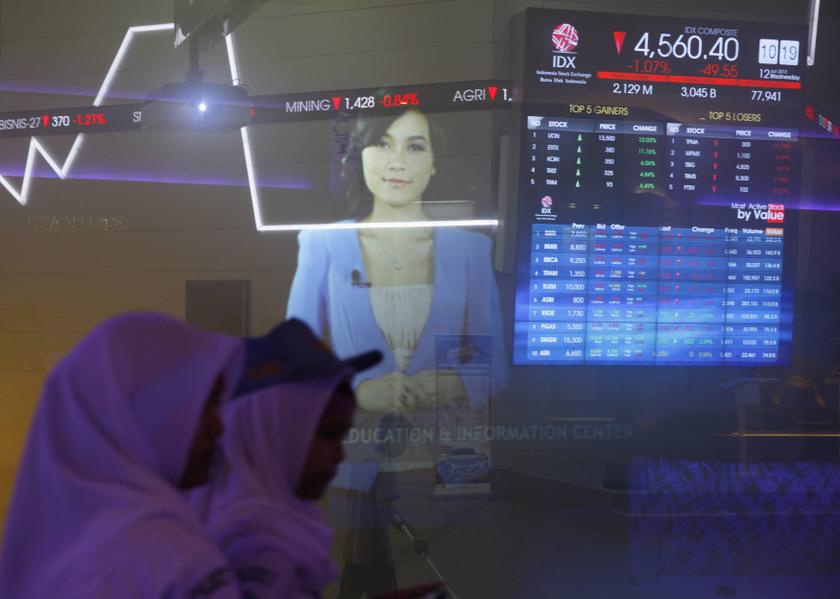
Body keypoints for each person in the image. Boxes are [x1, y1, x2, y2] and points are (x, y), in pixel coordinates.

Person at [286, 108, 507, 597]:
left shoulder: (468, 251)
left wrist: (446, 383)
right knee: (365, 566)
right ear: (360, 156)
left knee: (383, 571)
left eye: (415, 146)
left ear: (434, 164)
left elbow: (496, 368)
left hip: (438, 462)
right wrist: (360, 392)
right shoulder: (322, 244)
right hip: (355, 455)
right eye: (382, 144)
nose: (396, 161)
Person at [0, 312, 245, 599]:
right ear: (139, 417)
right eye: (202, 406)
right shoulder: (171, 559)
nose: (218, 426)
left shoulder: (51, 550)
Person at [192, 319, 383, 598]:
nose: (340, 454)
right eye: (329, 434)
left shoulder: (267, 523)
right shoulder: (256, 543)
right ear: (272, 433)